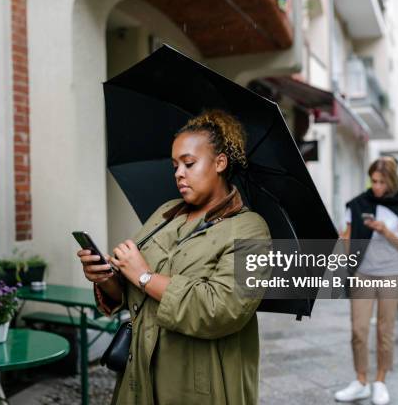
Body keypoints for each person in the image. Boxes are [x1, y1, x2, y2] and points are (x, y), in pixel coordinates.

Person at [77, 110, 271, 405]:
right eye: (175, 165)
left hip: (199, 385)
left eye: (189, 163)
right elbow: (133, 292)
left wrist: (144, 275)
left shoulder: (251, 229)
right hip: (140, 376)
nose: (179, 173)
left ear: (220, 163)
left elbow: (222, 309)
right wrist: (107, 279)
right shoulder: (166, 214)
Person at [335, 157, 398, 405]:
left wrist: (385, 231)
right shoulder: (358, 205)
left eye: (382, 182)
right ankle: (360, 382)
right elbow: (347, 243)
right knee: (359, 329)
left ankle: (380, 381)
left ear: (390, 181)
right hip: (363, 273)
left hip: (392, 273)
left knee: (384, 330)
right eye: (374, 181)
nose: (377, 186)